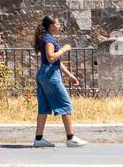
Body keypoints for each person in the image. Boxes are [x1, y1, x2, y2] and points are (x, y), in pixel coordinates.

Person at [33, 15, 86, 147]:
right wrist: (64, 49)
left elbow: (55, 61)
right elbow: (51, 57)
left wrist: (69, 75)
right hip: (50, 76)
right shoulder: (49, 40)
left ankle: (38, 139)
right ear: (51, 26)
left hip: (43, 75)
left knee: (43, 107)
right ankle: (70, 138)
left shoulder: (46, 38)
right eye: (58, 24)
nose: (59, 26)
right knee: (66, 104)